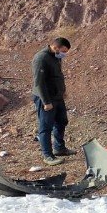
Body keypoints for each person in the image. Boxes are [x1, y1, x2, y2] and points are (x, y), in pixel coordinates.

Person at [31, 37, 74, 166]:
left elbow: (58, 76)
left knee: (61, 121)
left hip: (57, 97)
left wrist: (63, 91)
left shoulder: (56, 57)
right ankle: (48, 155)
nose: (64, 54)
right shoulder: (41, 58)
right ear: (56, 47)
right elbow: (39, 83)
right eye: (63, 51)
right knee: (46, 127)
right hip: (46, 98)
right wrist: (46, 102)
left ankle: (59, 148)